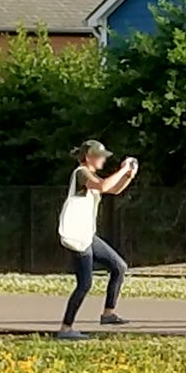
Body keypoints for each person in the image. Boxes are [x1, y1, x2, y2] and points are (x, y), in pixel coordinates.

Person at [60, 140, 138, 340]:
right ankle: (66, 328)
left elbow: (113, 189)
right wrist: (123, 169)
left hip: (87, 235)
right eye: (101, 156)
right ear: (88, 157)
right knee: (85, 284)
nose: (104, 160)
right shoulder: (81, 173)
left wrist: (128, 176)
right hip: (78, 237)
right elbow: (103, 186)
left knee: (119, 266)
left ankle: (108, 314)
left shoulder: (91, 177)